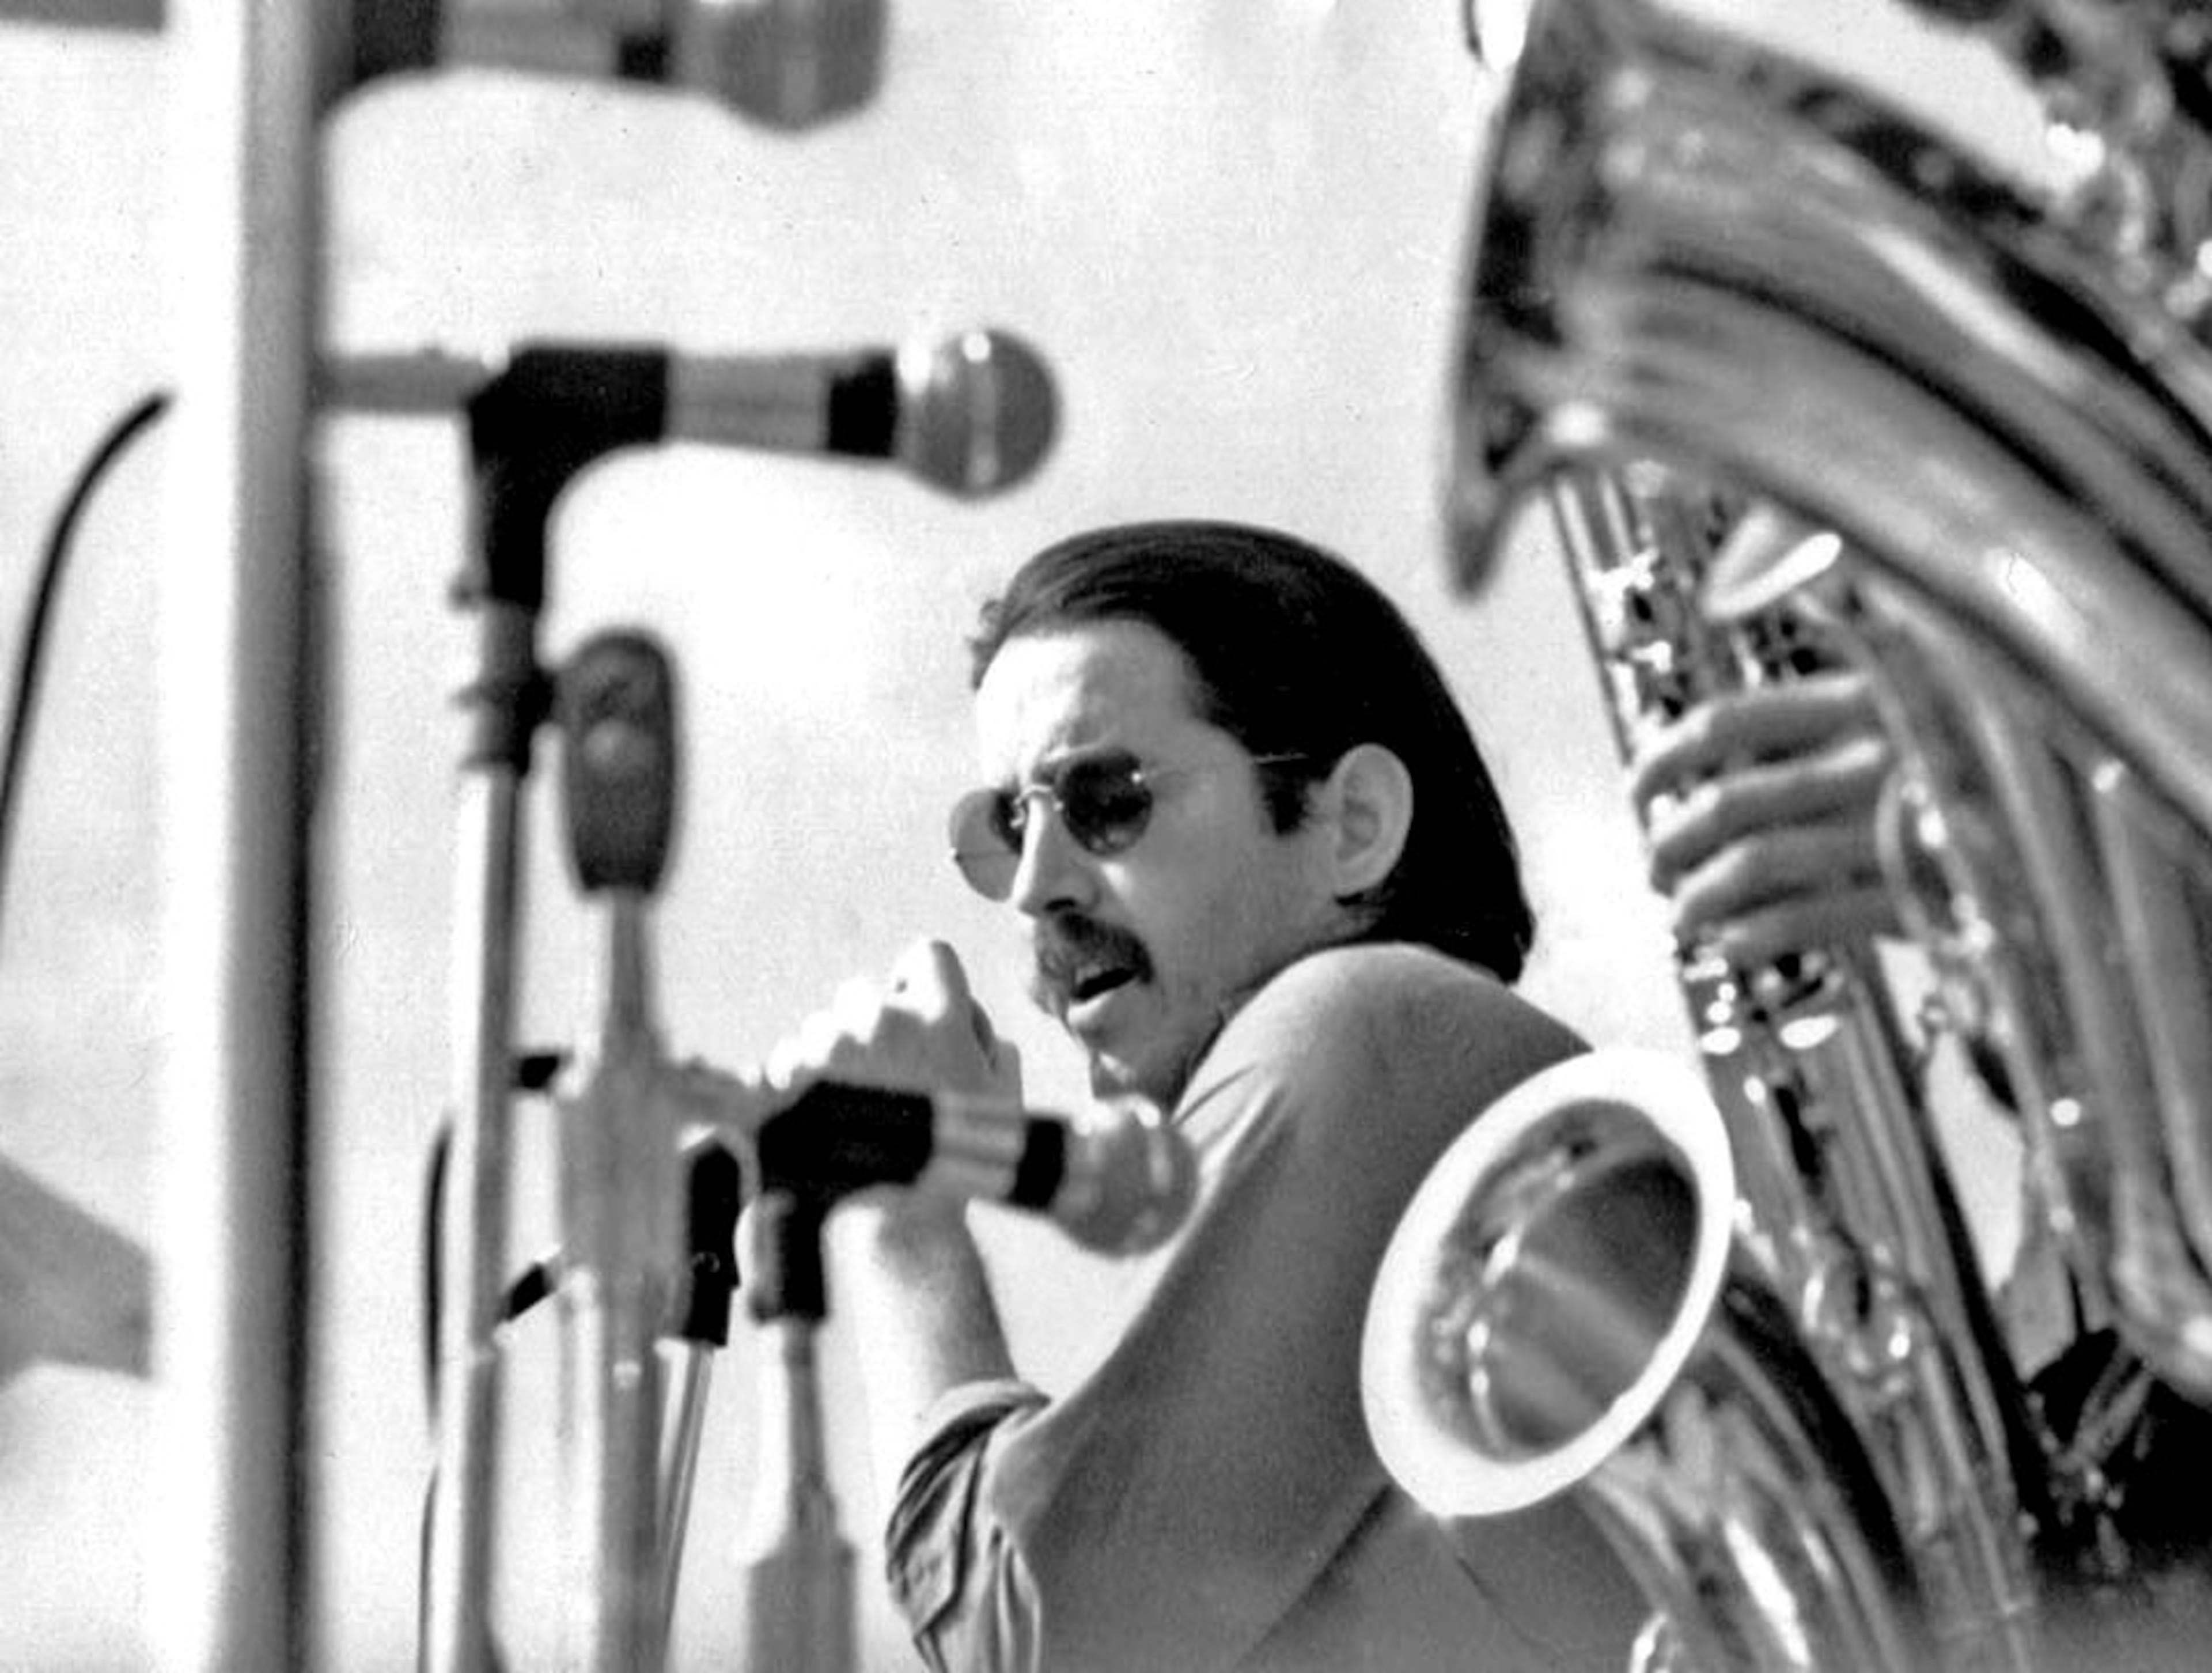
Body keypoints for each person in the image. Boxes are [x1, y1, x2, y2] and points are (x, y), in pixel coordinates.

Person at [758, 518, 1649, 1671]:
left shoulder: (1362, 1024)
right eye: (1008, 825)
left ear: (1353, 825)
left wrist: (898, 1216)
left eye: (1108, 800)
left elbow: (1035, 1638)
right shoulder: (1400, 1090)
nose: (1035, 888)